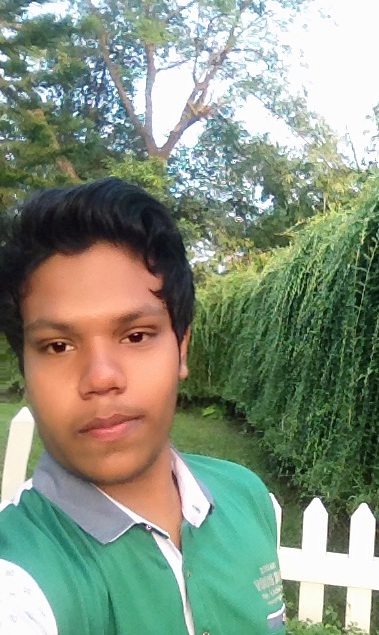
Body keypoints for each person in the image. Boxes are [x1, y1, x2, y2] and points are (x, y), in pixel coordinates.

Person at [0, 178, 286, 634]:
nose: (101, 378)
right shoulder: (18, 578)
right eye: (58, 346)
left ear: (181, 349)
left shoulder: (247, 498)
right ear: (25, 369)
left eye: (135, 336)